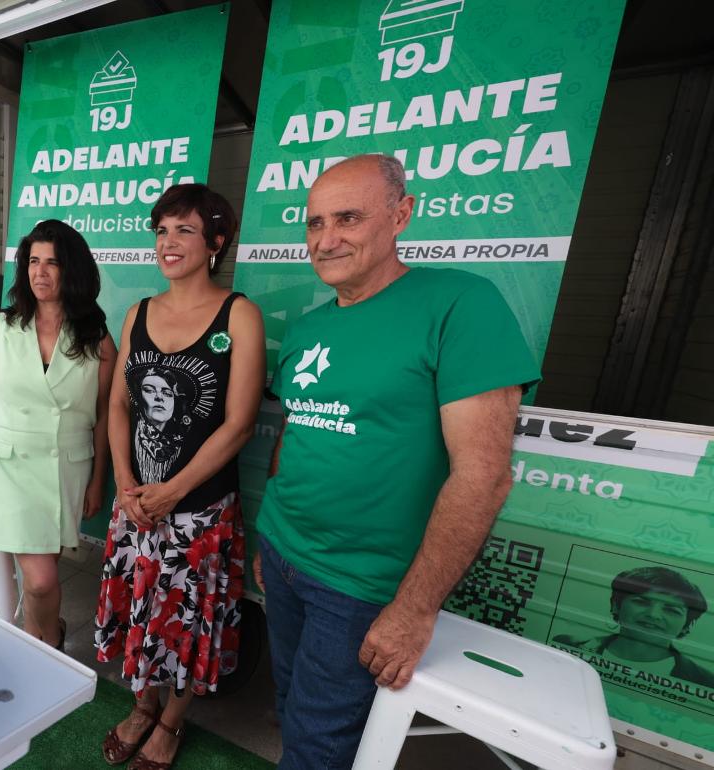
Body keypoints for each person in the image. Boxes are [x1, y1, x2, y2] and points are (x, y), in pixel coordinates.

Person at [254, 154, 540, 769]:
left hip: (362, 586)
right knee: (289, 707)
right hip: (282, 555)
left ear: (401, 214)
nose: (326, 239)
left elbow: (483, 475)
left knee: (319, 742)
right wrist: (268, 539)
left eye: (348, 218)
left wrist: (414, 610)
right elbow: (295, 436)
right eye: (313, 223)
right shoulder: (308, 330)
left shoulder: (461, 304)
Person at [95, 183, 265, 770]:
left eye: (184, 230)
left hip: (199, 511)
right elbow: (119, 405)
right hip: (137, 503)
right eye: (162, 230)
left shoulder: (238, 313)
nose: (168, 243)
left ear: (217, 241)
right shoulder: (139, 310)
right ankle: (142, 704)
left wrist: (172, 491)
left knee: (190, 620)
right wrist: (125, 481)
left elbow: (240, 424)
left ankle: (171, 721)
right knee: (138, 610)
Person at [0, 219, 116, 650]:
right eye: (33, 261)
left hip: (64, 466)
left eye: (52, 262)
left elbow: (105, 416)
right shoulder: (1, 327)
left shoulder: (97, 340)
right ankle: (40, 643)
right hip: (8, 464)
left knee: (43, 579)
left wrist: (98, 479)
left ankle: (46, 640)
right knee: (43, 580)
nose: (40, 272)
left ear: (74, 271)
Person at [554, 566, 714, 687]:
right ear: (616, 606)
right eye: (641, 602)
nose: (653, 615)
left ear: (687, 625)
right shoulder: (567, 645)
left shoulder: (705, 681)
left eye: (671, 610)